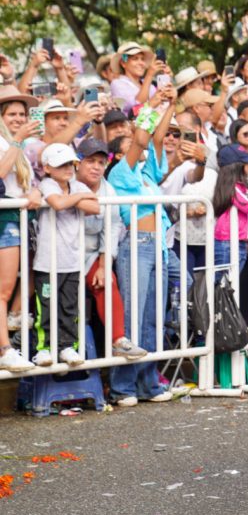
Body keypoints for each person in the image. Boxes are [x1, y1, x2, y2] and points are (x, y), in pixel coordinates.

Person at [106, 95, 177, 406]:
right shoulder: (120, 174)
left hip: (158, 247)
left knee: (153, 319)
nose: (142, 150)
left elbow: (156, 139)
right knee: (134, 318)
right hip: (136, 245)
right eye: (133, 148)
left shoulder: (148, 175)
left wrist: (170, 105)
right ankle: (123, 387)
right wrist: (150, 103)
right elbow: (142, 137)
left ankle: (148, 384)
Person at [75, 138, 147, 360]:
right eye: (90, 161)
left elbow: (111, 229)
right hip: (62, 253)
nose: (96, 167)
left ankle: (118, 340)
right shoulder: (66, 183)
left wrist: (104, 266)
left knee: (107, 281)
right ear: (78, 163)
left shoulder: (109, 191)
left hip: (92, 252)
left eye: (100, 162)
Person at [33, 143, 99, 366]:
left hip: (72, 261)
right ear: (48, 168)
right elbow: (58, 203)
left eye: (70, 164)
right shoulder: (47, 184)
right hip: (47, 262)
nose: (68, 169)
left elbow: (95, 207)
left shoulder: (77, 185)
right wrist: (78, 199)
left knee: (70, 307)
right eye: (61, 165)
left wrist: (76, 198)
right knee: (46, 307)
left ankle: (67, 346)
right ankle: (44, 347)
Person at [0, 92, 42, 372]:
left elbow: (25, 184)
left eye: (22, 114)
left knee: (25, 278)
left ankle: (13, 321)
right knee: (2, 290)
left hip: (18, 218)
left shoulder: (21, 145)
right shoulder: (7, 142)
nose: (19, 119)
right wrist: (16, 142)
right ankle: (5, 349)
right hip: (5, 219)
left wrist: (36, 191)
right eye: (12, 114)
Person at [212, 144, 248, 280]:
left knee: (229, 287)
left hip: (237, 242)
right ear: (235, 167)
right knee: (222, 286)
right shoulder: (233, 188)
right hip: (227, 244)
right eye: (246, 164)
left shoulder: (240, 186)